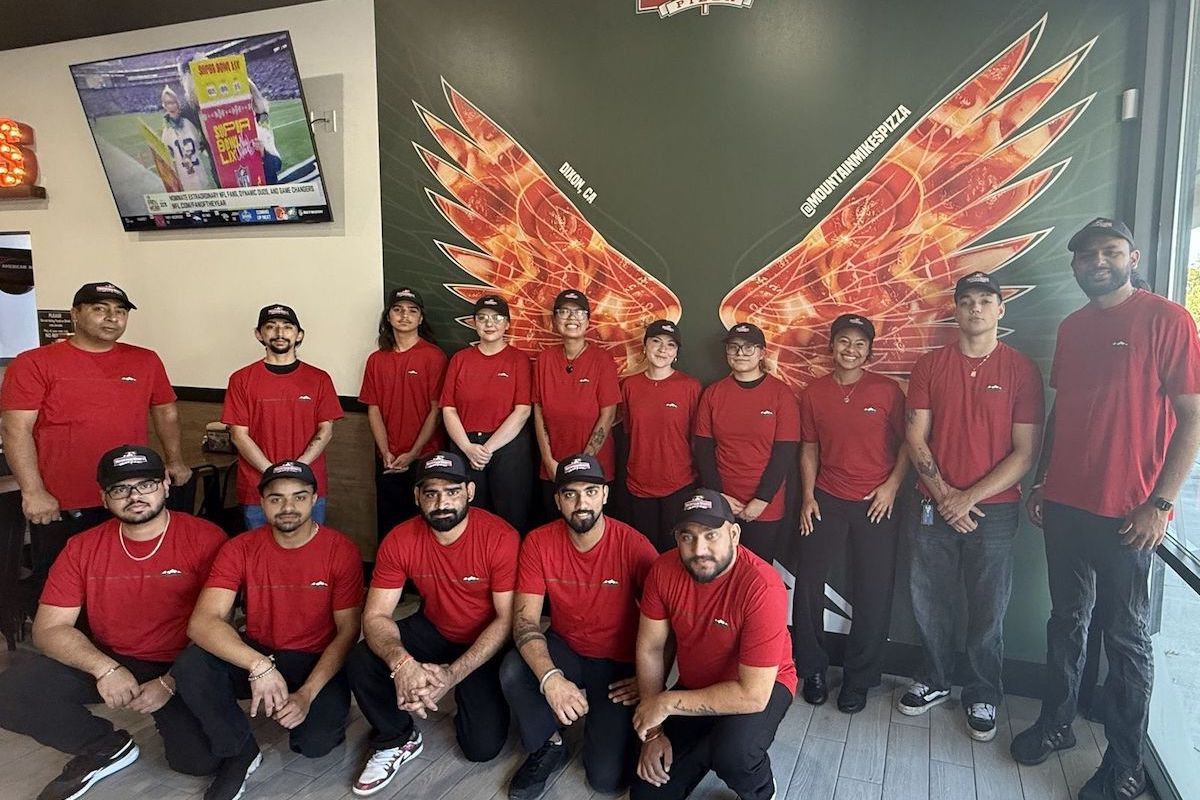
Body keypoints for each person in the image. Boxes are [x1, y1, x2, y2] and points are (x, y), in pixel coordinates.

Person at [1009, 218, 1200, 800]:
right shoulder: (1072, 328)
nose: (1097, 261)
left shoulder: (1168, 319)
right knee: (1066, 623)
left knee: (1126, 639)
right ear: (1075, 265)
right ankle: (1058, 723)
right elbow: (1066, 411)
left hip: (1129, 514)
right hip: (1065, 505)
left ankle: (1127, 763)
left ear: (1132, 256)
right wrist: (1042, 481)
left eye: (1109, 251)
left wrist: (1160, 504)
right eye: (1086, 254)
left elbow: (1192, 416)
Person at [0, 445, 224, 800]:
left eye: (146, 484)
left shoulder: (208, 539)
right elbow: (49, 628)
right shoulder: (82, 547)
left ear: (167, 484)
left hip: (183, 663)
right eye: (120, 489)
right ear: (104, 498)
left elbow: (221, 629)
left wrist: (170, 683)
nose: (135, 496)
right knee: (11, 691)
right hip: (116, 656)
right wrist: (105, 669)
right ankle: (104, 746)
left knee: (198, 761)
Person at [899, 271, 1044, 743]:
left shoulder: (1022, 369)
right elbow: (916, 437)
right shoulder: (929, 365)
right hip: (931, 505)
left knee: (988, 608)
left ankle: (983, 691)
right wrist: (945, 497)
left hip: (995, 512)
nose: (976, 309)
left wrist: (967, 498)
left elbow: (1025, 453)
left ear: (1001, 309)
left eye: (986, 300)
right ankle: (935, 680)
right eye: (967, 301)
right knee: (930, 600)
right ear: (955, 310)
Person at [174, 460, 363, 800]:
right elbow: (202, 622)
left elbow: (348, 632)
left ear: (314, 499)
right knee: (192, 664)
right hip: (260, 650)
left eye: (299, 497)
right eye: (276, 498)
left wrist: (307, 694)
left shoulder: (341, 550)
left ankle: (318, 703)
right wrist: (258, 664)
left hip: (314, 657)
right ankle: (240, 751)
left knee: (314, 745)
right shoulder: (240, 548)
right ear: (262, 503)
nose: (288, 507)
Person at [346, 451, 518, 797]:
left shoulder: (500, 537)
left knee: (480, 749)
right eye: (431, 493)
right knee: (363, 657)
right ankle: (397, 737)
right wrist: (403, 664)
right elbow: (376, 615)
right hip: (435, 627)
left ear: (470, 492)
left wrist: (453, 675)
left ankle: (462, 692)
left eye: (452, 491)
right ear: (417, 497)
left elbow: (505, 620)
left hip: (485, 638)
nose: (442, 502)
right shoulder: (400, 539)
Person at [0, 281, 191, 582]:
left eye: (120, 311)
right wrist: (33, 491)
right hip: (61, 500)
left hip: (128, 496)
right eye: (99, 309)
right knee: (61, 581)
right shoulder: (33, 363)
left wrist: (175, 459)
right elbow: (15, 430)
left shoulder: (146, 360)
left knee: (124, 579)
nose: (112, 317)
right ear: (75, 314)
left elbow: (166, 412)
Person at [500, 453, 658, 799]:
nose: (581, 502)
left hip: (617, 665)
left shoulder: (634, 545)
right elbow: (525, 620)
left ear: (604, 495)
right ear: (558, 501)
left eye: (590, 491)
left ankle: (609, 729)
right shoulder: (539, 542)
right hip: (566, 647)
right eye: (570, 494)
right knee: (514, 671)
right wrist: (550, 678)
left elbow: (667, 623)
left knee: (605, 781)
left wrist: (649, 681)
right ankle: (548, 743)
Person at [630, 488, 796, 800]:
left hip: (764, 686)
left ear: (734, 534)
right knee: (646, 793)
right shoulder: (663, 571)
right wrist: (654, 732)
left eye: (711, 535)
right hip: (696, 684)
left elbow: (753, 696)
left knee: (734, 755)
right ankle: (708, 746)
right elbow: (651, 648)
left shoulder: (763, 586)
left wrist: (663, 704)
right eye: (687, 536)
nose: (699, 549)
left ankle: (762, 791)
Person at [794, 314, 909, 713]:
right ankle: (812, 669)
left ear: (869, 351)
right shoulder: (813, 393)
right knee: (807, 584)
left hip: (876, 501)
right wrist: (807, 496)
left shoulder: (888, 391)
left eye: (859, 344)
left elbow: (910, 444)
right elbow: (808, 447)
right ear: (831, 345)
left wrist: (892, 486)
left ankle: (859, 679)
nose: (850, 350)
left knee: (873, 590)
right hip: (826, 498)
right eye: (843, 341)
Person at [223, 303, 342, 529]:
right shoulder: (240, 379)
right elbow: (239, 435)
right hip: (258, 487)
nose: (279, 333)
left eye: (287, 327)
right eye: (271, 327)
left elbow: (325, 430)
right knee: (261, 555)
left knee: (308, 554)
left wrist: (297, 470)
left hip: (307, 484)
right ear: (259, 334)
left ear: (299, 335)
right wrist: (273, 472)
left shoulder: (319, 379)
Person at [693, 322, 800, 562]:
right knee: (719, 572)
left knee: (758, 575)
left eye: (749, 347)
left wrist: (761, 500)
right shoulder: (713, 393)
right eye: (734, 347)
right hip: (721, 503)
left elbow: (785, 453)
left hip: (765, 507)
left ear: (762, 352)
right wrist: (719, 497)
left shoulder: (781, 394)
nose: (741, 353)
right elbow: (703, 449)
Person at [440, 294, 534, 533]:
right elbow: (448, 408)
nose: (489, 323)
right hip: (465, 447)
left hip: (507, 448)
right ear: (474, 323)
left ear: (507, 324)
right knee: (470, 518)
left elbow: (522, 410)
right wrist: (469, 448)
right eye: (482, 318)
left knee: (511, 517)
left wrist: (487, 449)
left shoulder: (519, 360)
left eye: (497, 318)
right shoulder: (460, 360)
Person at [359, 287, 448, 538]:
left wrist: (413, 453)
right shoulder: (377, 360)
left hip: (424, 456)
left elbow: (436, 411)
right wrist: (385, 450)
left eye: (412, 311)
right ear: (388, 317)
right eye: (397, 310)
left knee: (424, 527)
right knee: (390, 526)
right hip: (387, 458)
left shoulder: (433, 357)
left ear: (421, 318)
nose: (404, 316)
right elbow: (373, 408)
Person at [532, 289, 620, 523]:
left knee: (593, 528)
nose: (572, 318)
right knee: (554, 530)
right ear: (554, 320)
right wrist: (549, 460)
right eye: (564, 312)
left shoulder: (602, 360)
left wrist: (584, 463)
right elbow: (538, 412)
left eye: (579, 312)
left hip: (594, 466)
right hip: (553, 466)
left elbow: (608, 415)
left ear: (588, 321)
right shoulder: (544, 360)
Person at [619, 320, 702, 552]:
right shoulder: (630, 386)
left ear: (676, 353)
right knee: (643, 553)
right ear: (644, 347)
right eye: (656, 342)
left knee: (674, 553)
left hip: (679, 484)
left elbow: (697, 438)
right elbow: (628, 432)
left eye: (670, 345)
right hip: (638, 484)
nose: (662, 349)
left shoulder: (690, 386)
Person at [160, 85, 215, 191]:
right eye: (167, 103)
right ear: (164, 106)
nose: (171, 106)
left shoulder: (188, 123)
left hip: (198, 170)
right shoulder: (167, 131)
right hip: (183, 175)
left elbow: (199, 143)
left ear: (177, 103)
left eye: (172, 102)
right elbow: (168, 156)